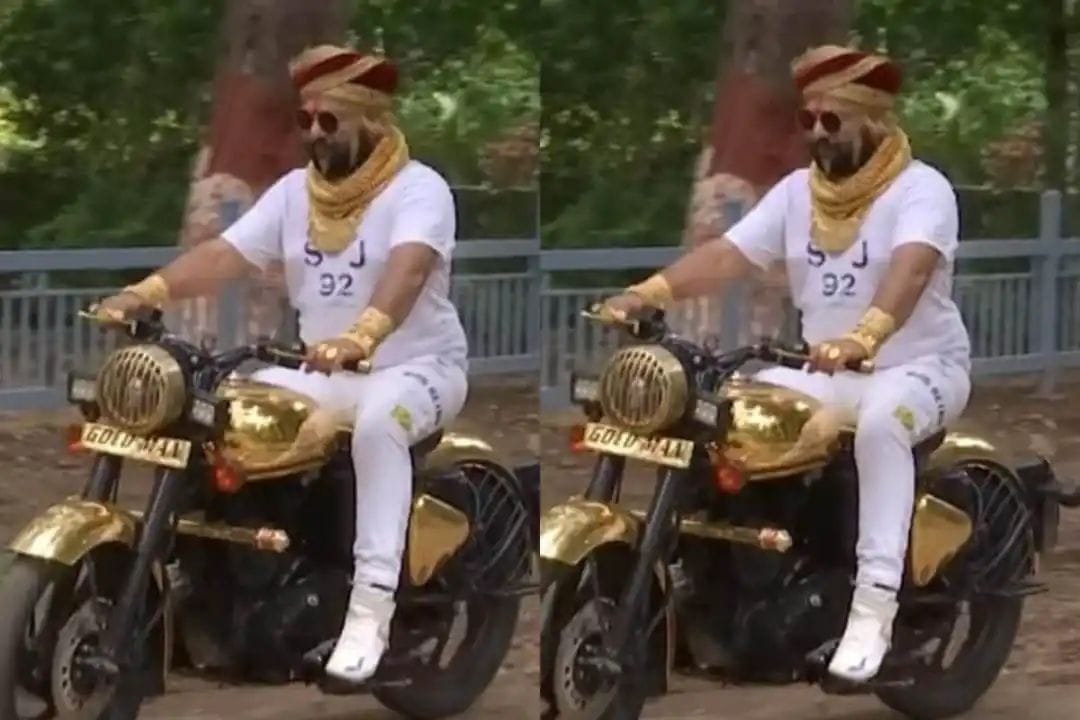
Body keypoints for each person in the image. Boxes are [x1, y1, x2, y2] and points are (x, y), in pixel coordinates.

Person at [94, 44, 469, 684]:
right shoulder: (296, 193)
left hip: (417, 370)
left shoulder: (419, 189)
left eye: (329, 121)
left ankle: (369, 613)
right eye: (305, 120)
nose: (314, 134)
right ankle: (210, 580)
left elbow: (408, 270)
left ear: (372, 118)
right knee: (215, 410)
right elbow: (226, 254)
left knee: (380, 424)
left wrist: (363, 335)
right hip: (323, 373)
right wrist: (147, 292)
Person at [599, 44, 971, 682]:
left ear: (874, 119)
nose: (817, 134)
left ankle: (872, 611)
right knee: (719, 410)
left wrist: (865, 336)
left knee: (882, 426)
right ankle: (714, 579)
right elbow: (728, 255)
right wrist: (647, 293)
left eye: (832, 121)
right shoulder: (799, 193)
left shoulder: (922, 190)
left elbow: (911, 271)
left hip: (919, 370)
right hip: (824, 375)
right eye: (809, 120)